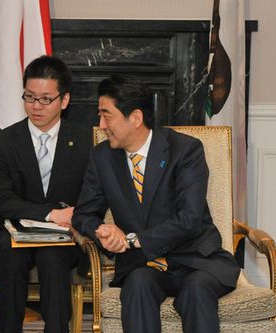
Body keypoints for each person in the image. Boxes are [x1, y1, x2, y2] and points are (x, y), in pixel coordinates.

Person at [72, 75, 240, 333]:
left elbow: (190, 218)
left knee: (196, 290)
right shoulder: (101, 157)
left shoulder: (184, 150)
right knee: (137, 284)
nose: (100, 124)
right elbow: (84, 213)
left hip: (195, 259)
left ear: (135, 118)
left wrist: (131, 240)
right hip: (143, 264)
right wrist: (102, 231)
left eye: (107, 116)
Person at [0, 55, 92, 333]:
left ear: (64, 100)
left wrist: (72, 217)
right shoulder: (3, 142)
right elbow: (1, 199)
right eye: (30, 97)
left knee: (53, 257)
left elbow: (93, 193)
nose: (36, 106)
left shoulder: (85, 140)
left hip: (65, 233)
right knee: (11, 255)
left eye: (46, 99)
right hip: (15, 230)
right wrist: (49, 213)